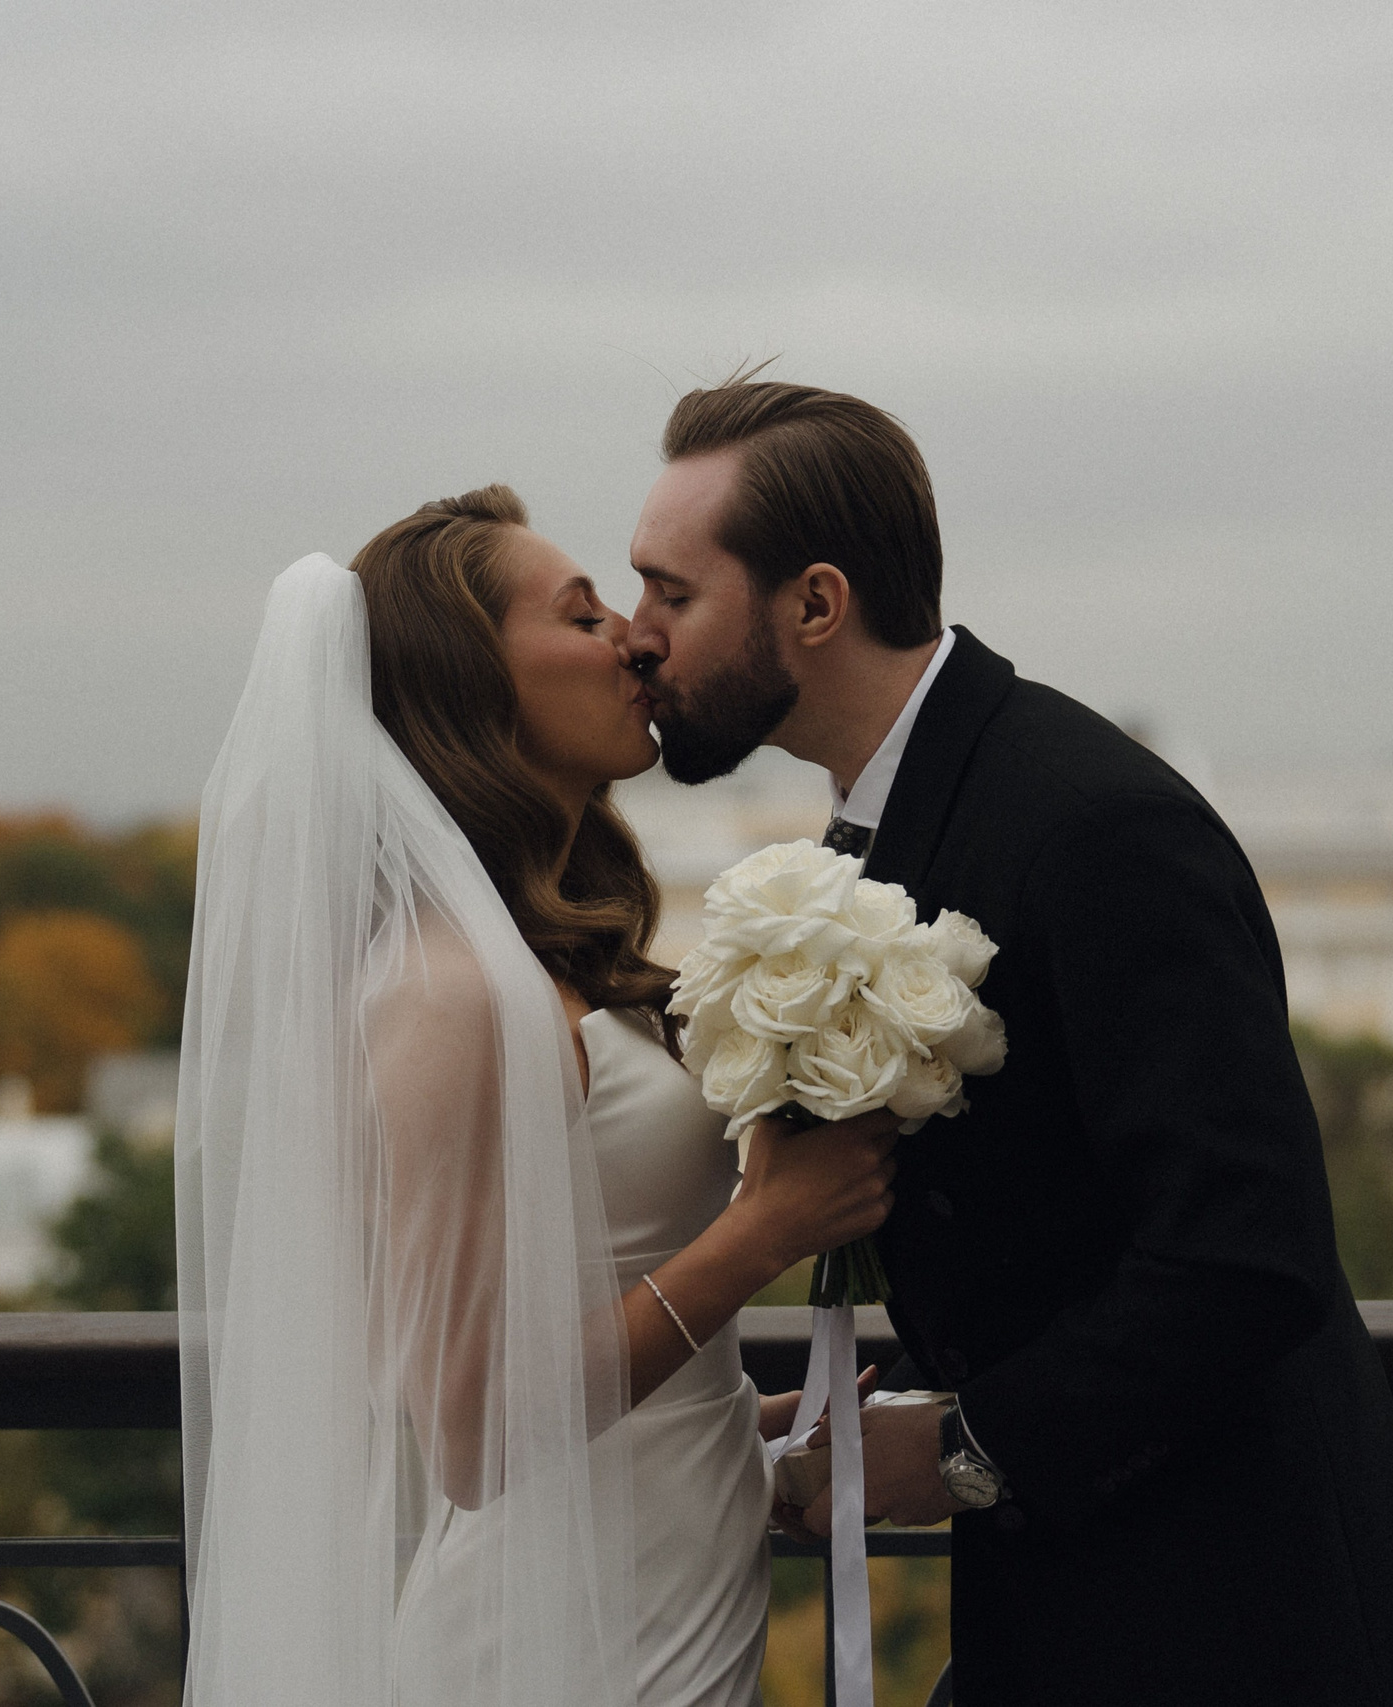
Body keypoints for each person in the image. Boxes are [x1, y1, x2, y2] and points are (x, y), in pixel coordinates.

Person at [625, 380, 1393, 1704]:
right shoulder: (899, 812)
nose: (637, 635)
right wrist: (887, 1390)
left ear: (816, 604)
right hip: (1082, 1610)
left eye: (672, 594)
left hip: (1234, 1632)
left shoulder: (1093, 824)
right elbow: (1046, 1214)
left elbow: (1245, 1255)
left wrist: (958, 1447)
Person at [175, 486, 897, 1707]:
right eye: (581, 614)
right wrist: (764, 1232)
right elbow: (470, 1429)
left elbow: (589, 1321)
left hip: (658, 1604)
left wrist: (746, 1435)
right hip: (548, 1656)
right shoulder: (445, 989)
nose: (631, 637)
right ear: (474, 684)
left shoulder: (549, 957)